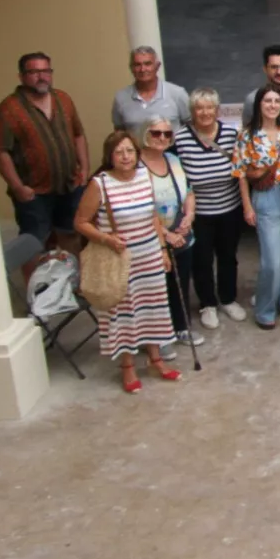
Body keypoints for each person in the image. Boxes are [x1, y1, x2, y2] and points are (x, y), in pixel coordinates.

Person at [73, 131, 178, 393]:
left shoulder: (144, 175)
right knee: (124, 312)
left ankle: (156, 360)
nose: (125, 156)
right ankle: (128, 366)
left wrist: (163, 250)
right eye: (119, 152)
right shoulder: (100, 184)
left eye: (130, 151)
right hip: (120, 259)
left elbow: (153, 215)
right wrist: (107, 239)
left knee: (152, 307)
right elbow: (80, 222)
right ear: (110, 156)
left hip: (149, 255)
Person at [0, 51, 89, 248]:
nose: (41, 76)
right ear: (22, 76)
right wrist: (18, 187)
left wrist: (84, 170)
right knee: (34, 243)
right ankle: (37, 280)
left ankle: (72, 278)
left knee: (71, 234)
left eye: (46, 71)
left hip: (70, 186)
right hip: (34, 192)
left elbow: (78, 134)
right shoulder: (9, 109)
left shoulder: (63, 99)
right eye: (34, 72)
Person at [233, 86, 280, 330]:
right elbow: (241, 174)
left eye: (277, 101)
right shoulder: (247, 135)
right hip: (265, 196)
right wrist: (247, 207)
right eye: (268, 101)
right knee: (272, 261)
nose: (273, 105)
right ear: (259, 104)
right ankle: (265, 309)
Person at [172, 89, 246, 326]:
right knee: (201, 260)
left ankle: (228, 299)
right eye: (199, 108)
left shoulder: (231, 134)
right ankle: (207, 304)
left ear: (217, 110)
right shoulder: (181, 138)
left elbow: (241, 169)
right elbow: (177, 175)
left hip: (229, 208)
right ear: (192, 111)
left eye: (209, 107)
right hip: (199, 213)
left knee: (227, 257)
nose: (204, 112)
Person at [137, 117, 199, 357]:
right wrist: (166, 235)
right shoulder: (137, 167)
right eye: (156, 133)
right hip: (153, 239)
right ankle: (158, 337)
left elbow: (189, 192)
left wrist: (189, 216)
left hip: (181, 234)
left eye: (167, 134)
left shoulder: (173, 160)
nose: (162, 138)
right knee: (155, 289)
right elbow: (140, 208)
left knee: (180, 283)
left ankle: (181, 327)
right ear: (145, 134)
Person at [111, 46, 190, 132]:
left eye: (147, 64)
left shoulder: (177, 94)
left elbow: (192, 126)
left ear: (157, 66)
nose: (143, 69)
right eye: (137, 65)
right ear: (131, 68)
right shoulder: (121, 97)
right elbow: (119, 132)